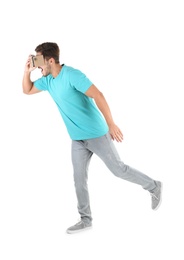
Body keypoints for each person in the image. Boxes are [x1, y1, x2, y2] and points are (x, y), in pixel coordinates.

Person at [22, 42, 163, 234]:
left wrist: (111, 124)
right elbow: (27, 90)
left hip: (97, 133)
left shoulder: (72, 75)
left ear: (51, 60)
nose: (37, 65)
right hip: (77, 139)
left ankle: (154, 186)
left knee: (118, 170)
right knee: (78, 179)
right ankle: (86, 220)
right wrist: (27, 71)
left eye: (39, 61)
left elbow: (98, 95)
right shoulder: (48, 81)